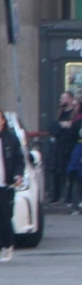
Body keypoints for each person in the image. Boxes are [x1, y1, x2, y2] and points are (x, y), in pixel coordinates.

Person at [0, 110, 25, 263]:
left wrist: (18, 175)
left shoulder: (10, 139)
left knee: (5, 216)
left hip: (5, 185)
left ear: (3, 121)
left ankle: (7, 245)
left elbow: (18, 159)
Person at [52, 91, 77, 204]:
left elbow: (75, 127)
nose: (61, 100)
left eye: (64, 98)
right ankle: (56, 196)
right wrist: (60, 125)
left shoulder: (75, 113)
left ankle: (70, 197)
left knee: (70, 173)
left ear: (70, 100)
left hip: (70, 147)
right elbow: (53, 127)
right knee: (57, 172)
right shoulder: (59, 113)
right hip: (59, 147)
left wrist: (68, 125)